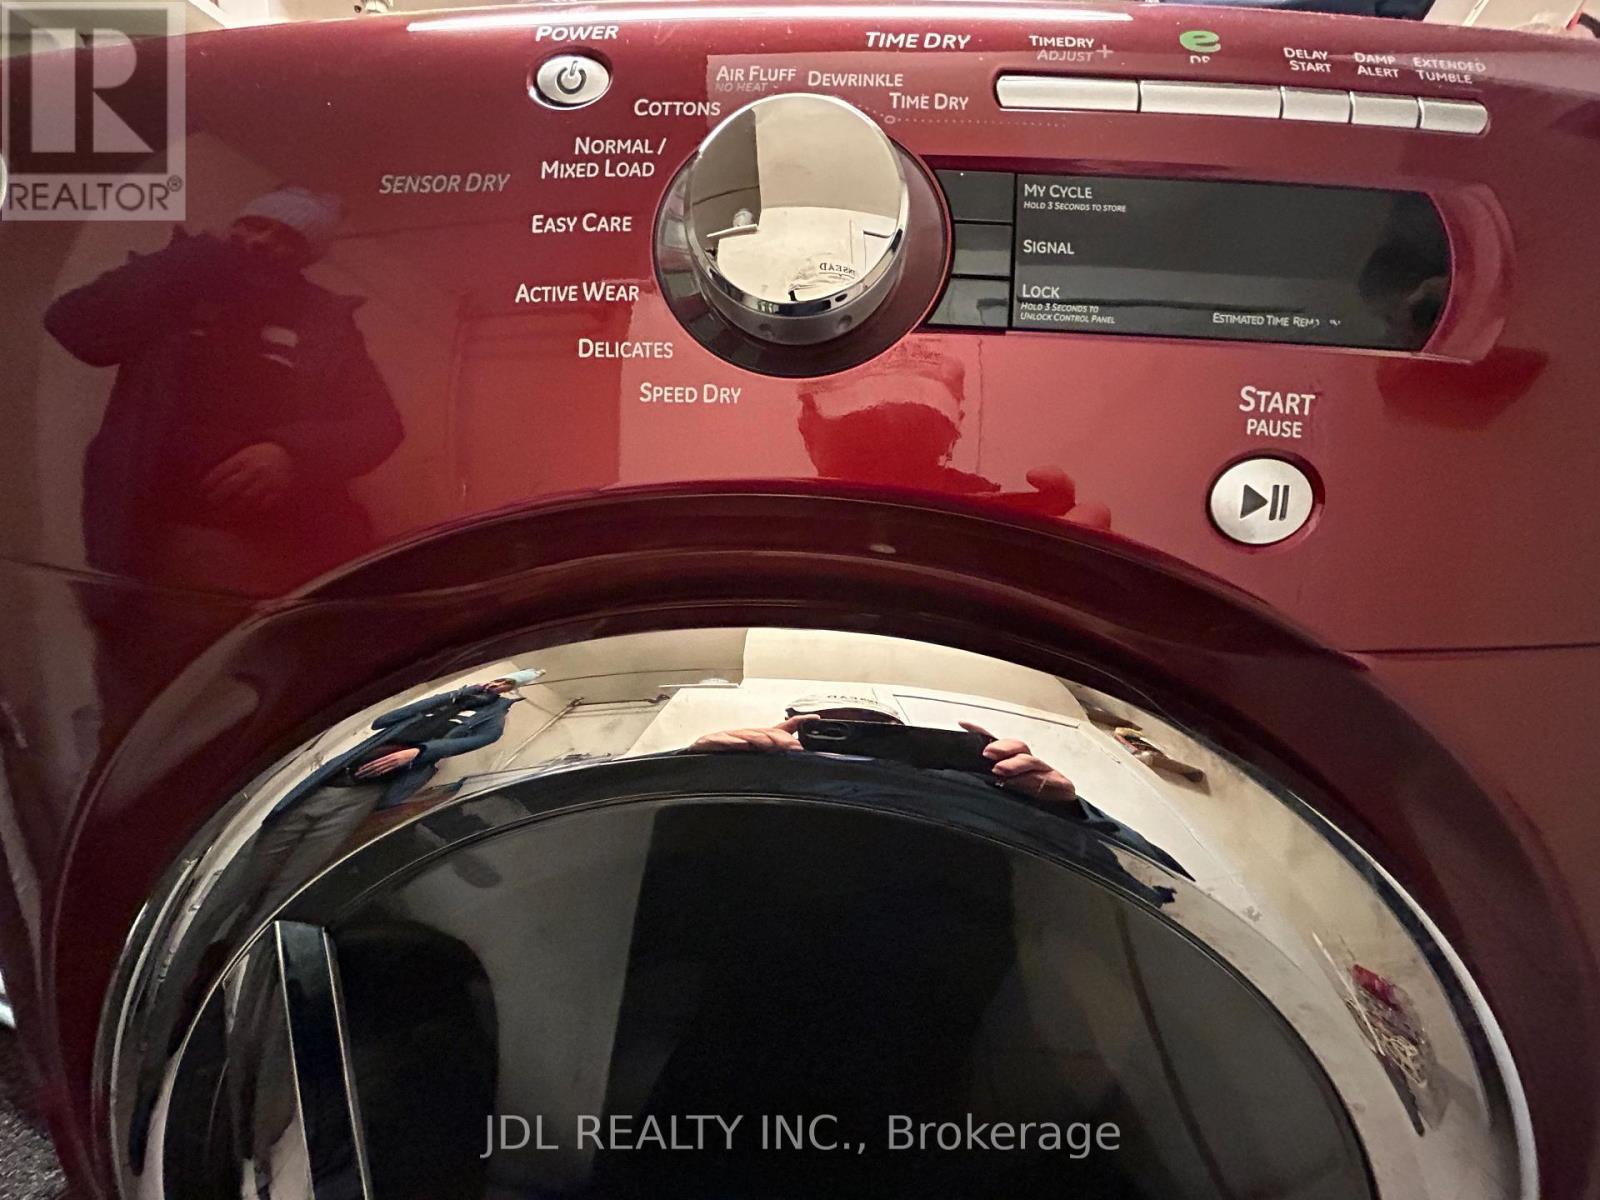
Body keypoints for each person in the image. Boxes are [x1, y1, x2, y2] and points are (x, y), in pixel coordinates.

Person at [45, 185, 403, 596]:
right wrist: (191, 257)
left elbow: (380, 424)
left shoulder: (325, 322)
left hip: (298, 537)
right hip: (166, 531)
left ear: (307, 256)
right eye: (255, 224)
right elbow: (75, 326)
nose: (264, 241)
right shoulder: (177, 285)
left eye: (288, 237)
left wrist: (290, 453)